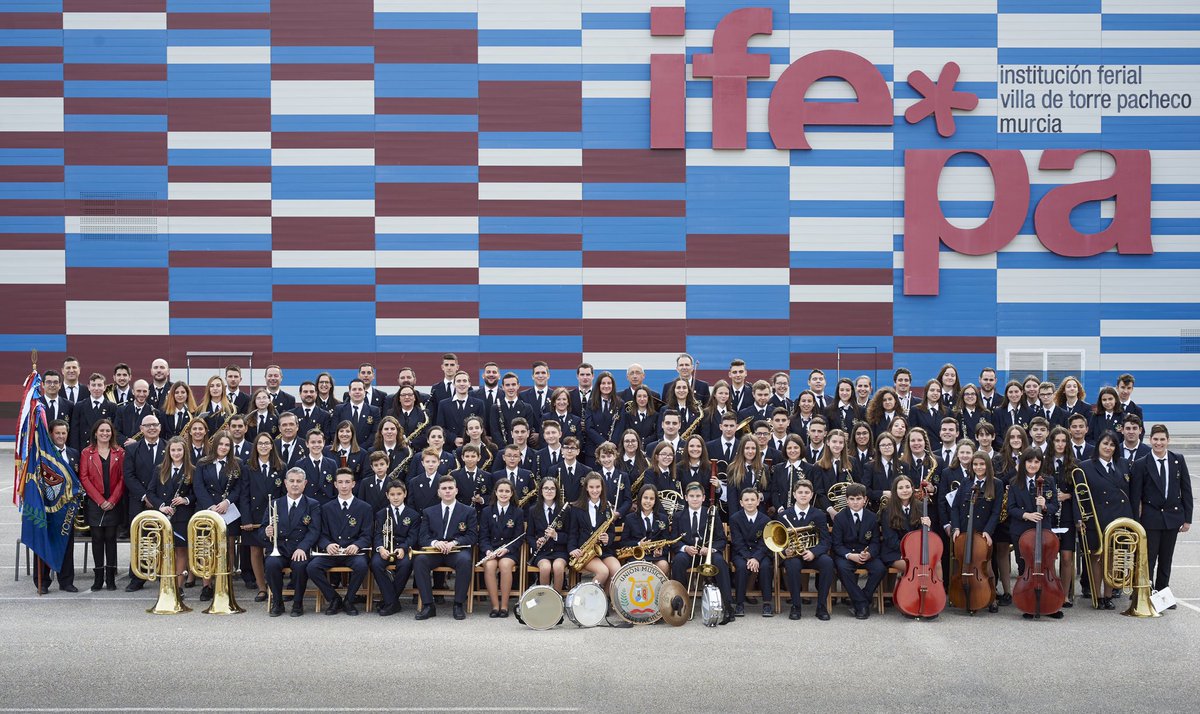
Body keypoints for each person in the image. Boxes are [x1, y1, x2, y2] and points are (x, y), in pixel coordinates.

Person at [1130, 424, 1192, 601]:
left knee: (1166, 560)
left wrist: (1187, 519)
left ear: (1168, 440)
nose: (1159, 443)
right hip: (1150, 518)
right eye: (1155, 439)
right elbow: (1136, 496)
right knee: (1149, 559)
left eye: (1162, 439)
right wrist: (1136, 521)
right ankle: (1146, 594)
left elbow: (1186, 490)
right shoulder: (1142, 464)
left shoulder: (1178, 460)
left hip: (1172, 518)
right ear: (1150, 440)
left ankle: (1163, 595)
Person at [307, 468, 373, 616]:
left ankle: (349, 600)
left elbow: (367, 534)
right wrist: (327, 545)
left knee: (362, 566)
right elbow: (320, 533)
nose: (344, 486)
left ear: (353, 484)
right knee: (312, 567)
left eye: (347, 482)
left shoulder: (365, 508)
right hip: (332, 552)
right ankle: (334, 598)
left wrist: (357, 545)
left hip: (353, 552)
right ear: (335, 484)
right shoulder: (326, 508)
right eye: (340, 482)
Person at [413, 475, 478, 620]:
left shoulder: (468, 511)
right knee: (420, 560)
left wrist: (454, 542)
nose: (447, 491)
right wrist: (435, 542)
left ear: (456, 490)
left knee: (465, 561)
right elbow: (422, 537)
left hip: (456, 551)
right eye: (444, 488)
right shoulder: (428, 512)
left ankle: (458, 604)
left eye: (450, 488)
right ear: (438, 492)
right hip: (435, 551)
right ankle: (428, 605)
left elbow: (472, 536)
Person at [670, 482, 734, 625]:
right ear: (686, 497)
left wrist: (710, 549)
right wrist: (685, 548)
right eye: (691, 496)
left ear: (703, 497)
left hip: (707, 553)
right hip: (688, 553)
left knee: (720, 563)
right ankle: (679, 602)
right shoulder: (678, 516)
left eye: (698, 496)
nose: (695, 499)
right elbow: (673, 541)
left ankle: (728, 606)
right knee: (678, 561)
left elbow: (721, 539)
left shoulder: (711, 513)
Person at [263, 467, 322, 617]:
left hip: (299, 548)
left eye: (299, 481)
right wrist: (266, 532)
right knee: (271, 564)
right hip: (280, 549)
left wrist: (303, 548)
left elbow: (314, 530)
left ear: (305, 483)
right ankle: (278, 602)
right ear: (285, 483)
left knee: (301, 565)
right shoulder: (275, 503)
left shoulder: (313, 504)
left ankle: (297, 603)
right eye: (292, 481)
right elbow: (263, 527)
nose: (295, 484)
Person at [193, 431, 243, 601]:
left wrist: (227, 502)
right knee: (207, 548)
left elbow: (239, 487)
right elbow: (198, 487)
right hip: (208, 511)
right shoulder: (202, 463)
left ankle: (225, 580)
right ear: (215, 445)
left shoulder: (237, 464)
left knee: (228, 546)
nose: (223, 447)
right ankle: (206, 585)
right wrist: (211, 506)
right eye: (221, 444)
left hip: (228, 510)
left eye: (227, 445)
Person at [950, 452, 1002, 613]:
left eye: (982, 464)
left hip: (983, 529)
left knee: (985, 564)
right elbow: (955, 507)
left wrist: (988, 531)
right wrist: (956, 527)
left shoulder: (996, 483)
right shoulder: (966, 482)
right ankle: (962, 593)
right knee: (962, 562)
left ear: (987, 465)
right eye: (975, 465)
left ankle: (991, 597)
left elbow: (996, 511)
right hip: (965, 528)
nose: (978, 467)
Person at [775, 479, 833, 620]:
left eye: (806, 492)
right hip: (793, 555)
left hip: (813, 555)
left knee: (828, 562)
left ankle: (821, 606)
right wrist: (785, 551)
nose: (803, 495)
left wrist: (814, 553)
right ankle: (796, 606)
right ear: (794, 494)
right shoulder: (784, 515)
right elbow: (778, 541)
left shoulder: (819, 514)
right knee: (792, 564)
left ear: (812, 495)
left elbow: (826, 540)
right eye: (800, 492)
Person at [79, 419, 125, 591]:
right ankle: (98, 578)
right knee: (97, 539)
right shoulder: (86, 453)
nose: (105, 433)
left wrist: (112, 500)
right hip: (95, 503)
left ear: (112, 433)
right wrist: (100, 500)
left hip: (114, 502)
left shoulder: (119, 452)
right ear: (95, 433)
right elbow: (84, 478)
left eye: (108, 431)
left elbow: (122, 478)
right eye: (102, 431)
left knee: (111, 539)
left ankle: (111, 578)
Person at [146, 437, 194, 591]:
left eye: (179, 450)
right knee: (166, 550)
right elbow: (150, 492)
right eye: (173, 450)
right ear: (168, 452)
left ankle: (179, 586)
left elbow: (196, 493)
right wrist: (161, 506)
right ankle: (167, 583)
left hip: (182, 516)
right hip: (164, 516)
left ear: (185, 451)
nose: (176, 453)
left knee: (181, 550)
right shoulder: (160, 469)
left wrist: (185, 499)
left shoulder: (191, 470)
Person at [831, 483, 885, 620]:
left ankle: (861, 600)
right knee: (842, 568)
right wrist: (850, 555)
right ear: (847, 500)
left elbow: (875, 542)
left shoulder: (872, 517)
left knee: (880, 568)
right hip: (847, 555)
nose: (855, 502)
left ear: (865, 499)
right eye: (852, 499)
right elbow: (836, 544)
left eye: (858, 499)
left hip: (866, 554)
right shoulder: (840, 518)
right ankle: (862, 603)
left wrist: (869, 554)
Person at [241, 431, 283, 602]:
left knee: (273, 553)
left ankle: (275, 586)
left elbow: (284, 493)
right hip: (254, 515)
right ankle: (261, 588)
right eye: (260, 443)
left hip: (275, 516)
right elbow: (243, 495)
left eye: (267, 443)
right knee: (255, 551)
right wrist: (246, 519)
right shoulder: (247, 467)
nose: (264, 446)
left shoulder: (281, 467)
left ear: (272, 446)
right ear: (255, 447)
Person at [369, 479, 419, 617]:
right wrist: (380, 548)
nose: (395, 497)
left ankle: (388, 601)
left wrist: (403, 547)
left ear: (405, 494)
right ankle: (393, 602)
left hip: (403, 550)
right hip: (385, 549)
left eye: (398, 494)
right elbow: (377, 534)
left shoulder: (413, 515)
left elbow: (413, 536)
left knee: (406, 565)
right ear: (387, 495)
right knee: (375, 564)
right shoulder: (380, 514)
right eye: (392, 494)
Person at [568, 472, 622, 588]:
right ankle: (591, 598)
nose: (595, 490)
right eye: (591, 487)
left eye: (598, 487)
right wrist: (572, 549)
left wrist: (608, 538)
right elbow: (573, 532)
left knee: (616, 570)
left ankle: (605, 600)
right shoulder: (576, 508)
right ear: (586, 488)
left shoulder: (607, 507)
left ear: (602, 488)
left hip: (603, 550)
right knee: (603, 572)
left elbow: (611, 532)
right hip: (585, 553)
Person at [480, 478, 524, 617]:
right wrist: (488, 550)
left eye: (507, 491)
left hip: (509, 551)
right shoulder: (487, 511)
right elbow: (483, 537)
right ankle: (495, 606)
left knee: (505, 565)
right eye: (501, 491)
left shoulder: (517, 512)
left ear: (512, 494)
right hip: (491, 550)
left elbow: (519, 537)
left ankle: (504, 606)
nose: (503, 494)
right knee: (489, 566)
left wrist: (507, 549)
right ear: (495, 492)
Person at [729, 487, 774, 617]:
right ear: (741, 502)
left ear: (758, 502)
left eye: (752, 499)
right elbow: (737, 542)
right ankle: (739, 603)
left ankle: (766, 603)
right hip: (741, 553)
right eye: (746, 500)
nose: (749, 502)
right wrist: (749, 558)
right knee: (742, 567)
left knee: (766, 566)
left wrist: (756, 558)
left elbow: (765, 542)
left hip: (760, 553)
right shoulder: (735, 518)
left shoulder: (765, 519)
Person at [528, 478, 569, 591]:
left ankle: (557, 598)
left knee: (558, 567)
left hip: (560, 551)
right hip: (542, 552)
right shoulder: (533, 510)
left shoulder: (565, 510)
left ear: (557, 491)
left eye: (552, 488)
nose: (549, 491)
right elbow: (529, 535)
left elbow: (571, 535)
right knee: (545, 568)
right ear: (541, 491)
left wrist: (556, 536)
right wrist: (536, 543)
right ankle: (545, 599)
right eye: (546, 488)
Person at [622, 484, 671, 575]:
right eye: (645, 498)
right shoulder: (629, 518)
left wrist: (660, 552)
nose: (648, 501)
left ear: (655, 501)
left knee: (664, 565)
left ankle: (656, 590)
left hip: (655, 557)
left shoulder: (663, 518)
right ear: (640, 498)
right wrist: (638, 544)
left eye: (651, 499)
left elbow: (666, 541)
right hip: (636, 556)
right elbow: (624, 542)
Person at [69, 373, 117, 451]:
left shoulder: (112, 407)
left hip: (105, 449)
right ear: (88, 387)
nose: (96, 388)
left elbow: (115, 431)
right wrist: (75, 452)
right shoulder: (79, 406)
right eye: (93, 385)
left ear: (104, 387)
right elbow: (74, 433)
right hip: (84, 449)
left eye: (99, 385)